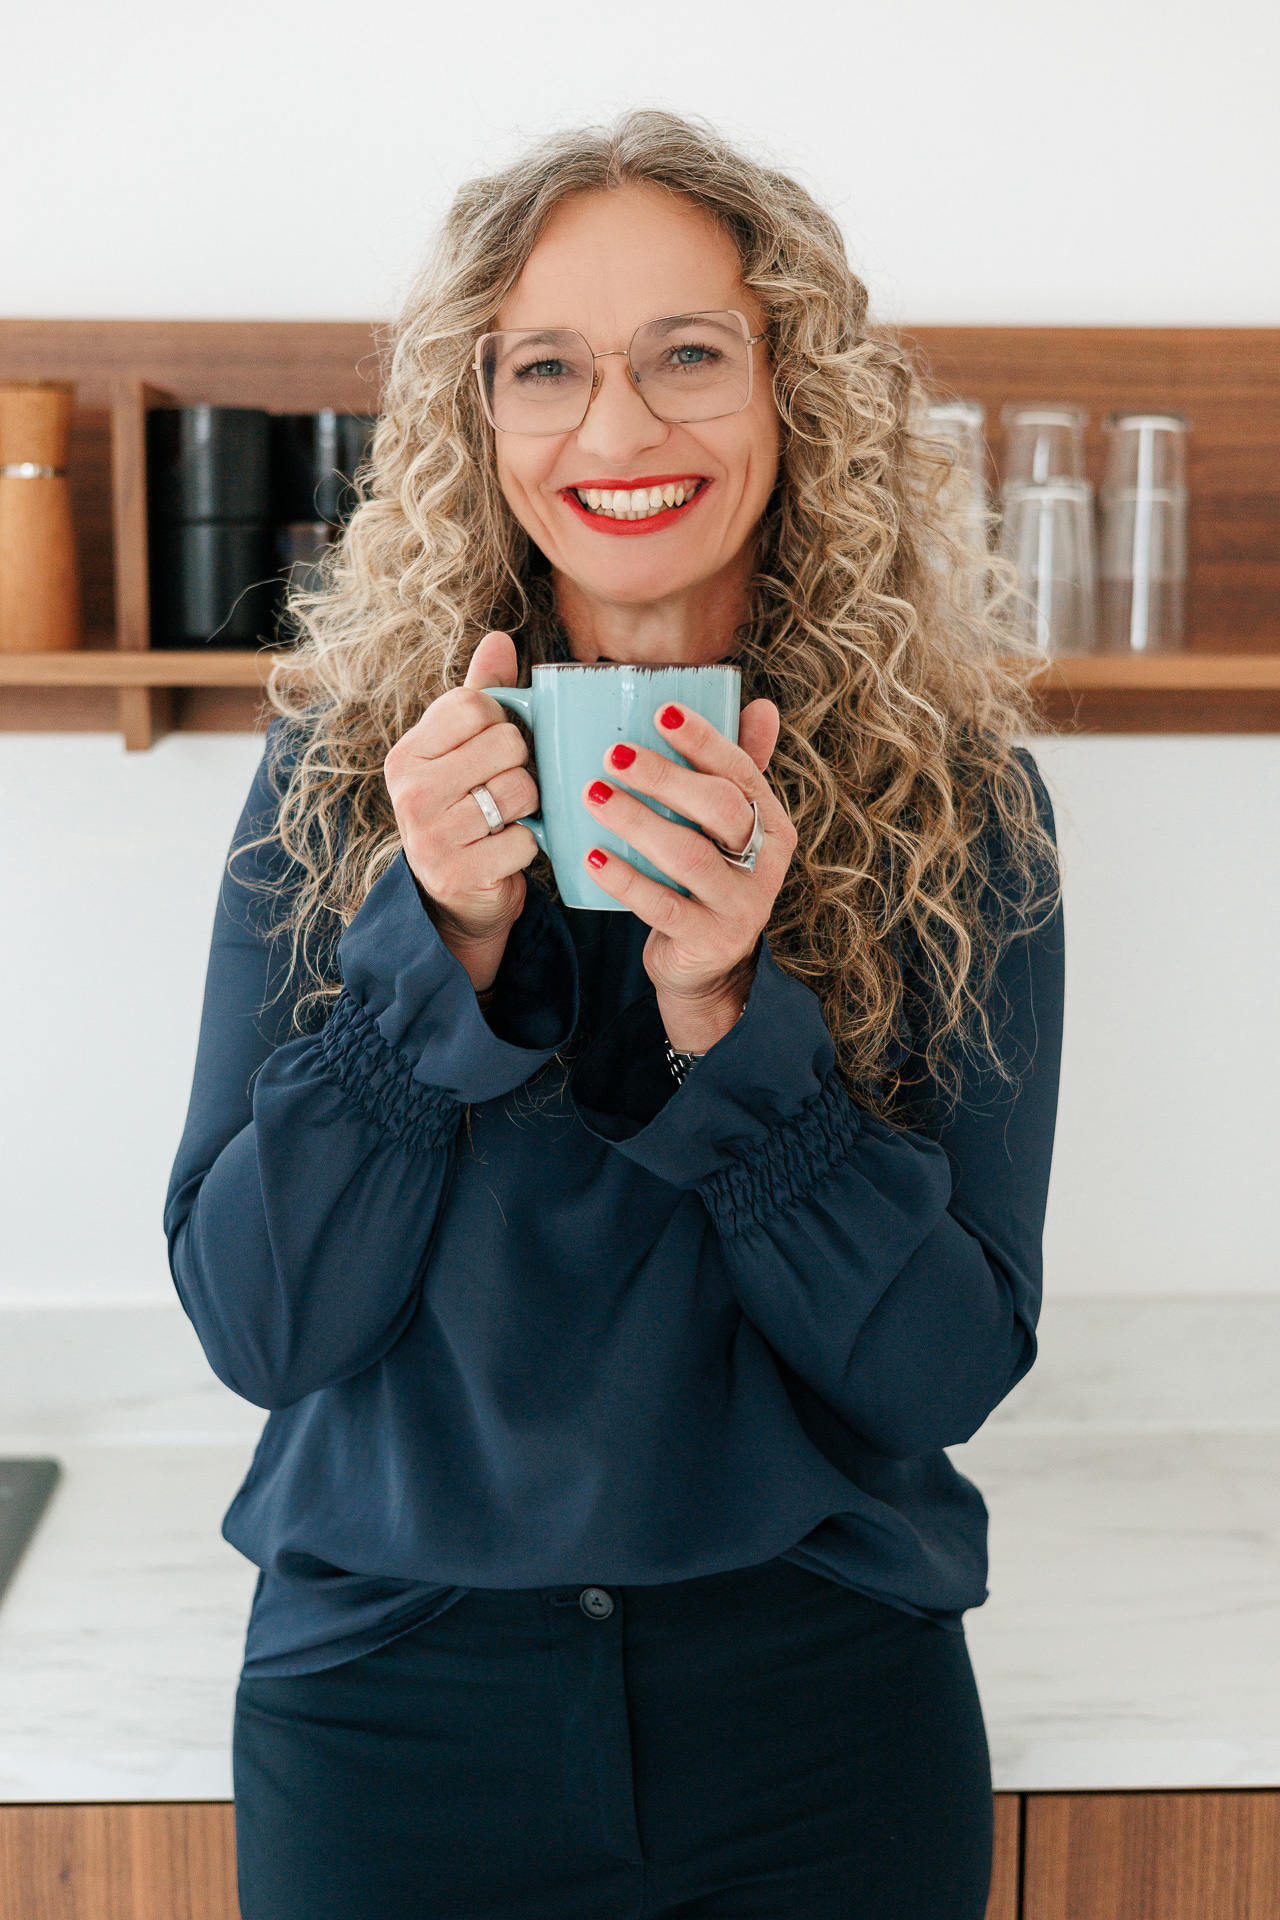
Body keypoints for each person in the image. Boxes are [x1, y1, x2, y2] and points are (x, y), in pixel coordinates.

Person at [167, 109, 1063, 1920]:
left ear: (793, 390)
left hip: (825, 1712)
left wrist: (732, 1013)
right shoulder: (344, 774)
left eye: (688, 357)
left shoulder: (953, 798)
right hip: (388, 1723)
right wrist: (440, 952)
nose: (619, 431)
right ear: (477, 418)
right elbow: (263, 1323)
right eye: (548, 369)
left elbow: (941, 1371)